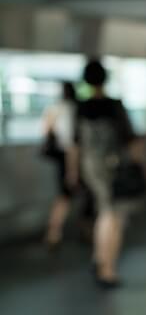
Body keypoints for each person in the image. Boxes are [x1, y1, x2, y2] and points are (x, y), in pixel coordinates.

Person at [69, 60, 145, 289]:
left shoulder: (80, 107)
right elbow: (132, 139)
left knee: (104, 209)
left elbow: (75, 144)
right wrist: (140, 165)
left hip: (90, 166)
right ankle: (107, 268)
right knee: (113, 215)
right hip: (114, 166)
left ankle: (98, 257)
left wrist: (73, 171)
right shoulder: (115, 106)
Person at [41, 82, 78, 250]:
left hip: (59, 157)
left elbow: (45, 130)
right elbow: (72, 142)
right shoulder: (72, 110)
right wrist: (73, 170)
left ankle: (54, 231)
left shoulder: (54, 108)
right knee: (66, 195)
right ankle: (54, 232)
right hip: (70, 157)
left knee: (64, 195)